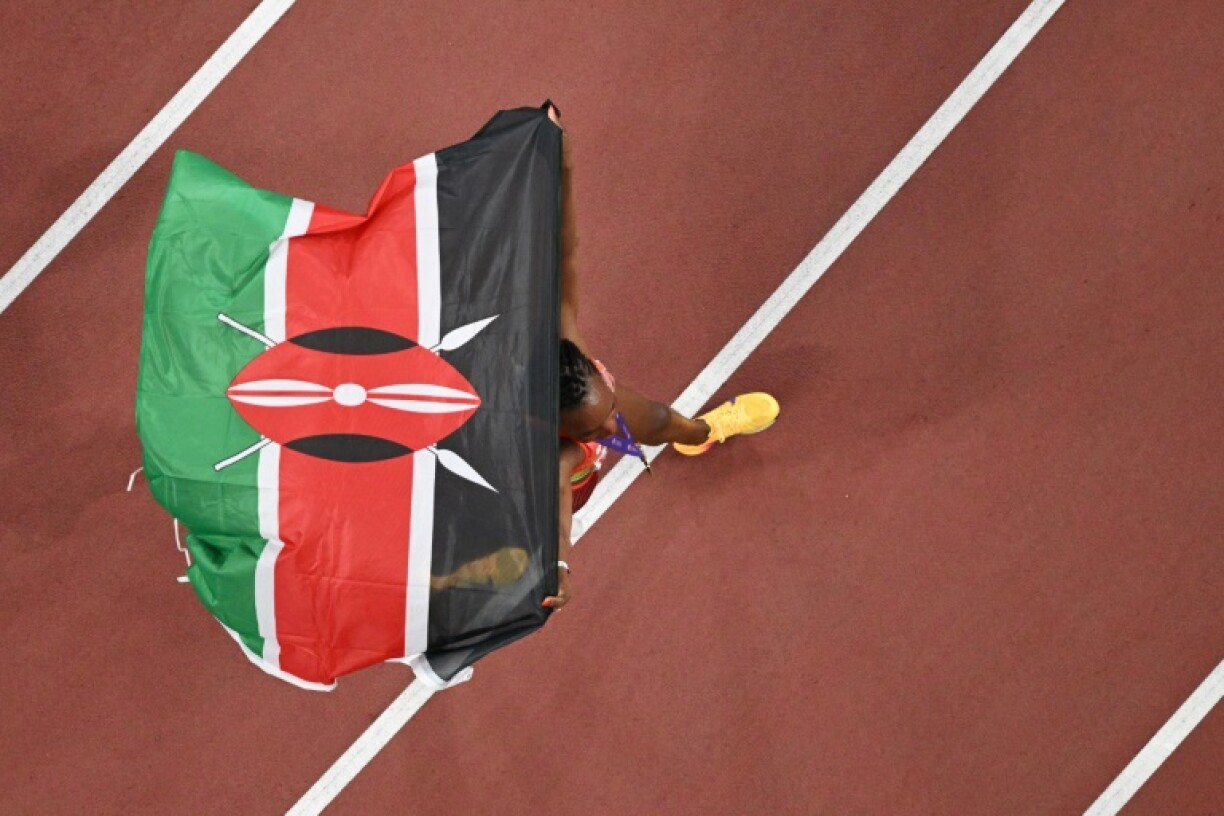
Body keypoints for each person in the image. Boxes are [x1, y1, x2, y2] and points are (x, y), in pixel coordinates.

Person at [543, 103, 779, 611]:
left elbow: (567, 249)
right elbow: (558, 511)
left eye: (605, 415)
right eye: (594, 430)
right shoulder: (553, 453)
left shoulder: (568, 350)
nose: (611, 431)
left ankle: (703, 434)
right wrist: (558, 567)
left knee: (658, 418)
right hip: (559, 491)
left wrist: (560, 160)